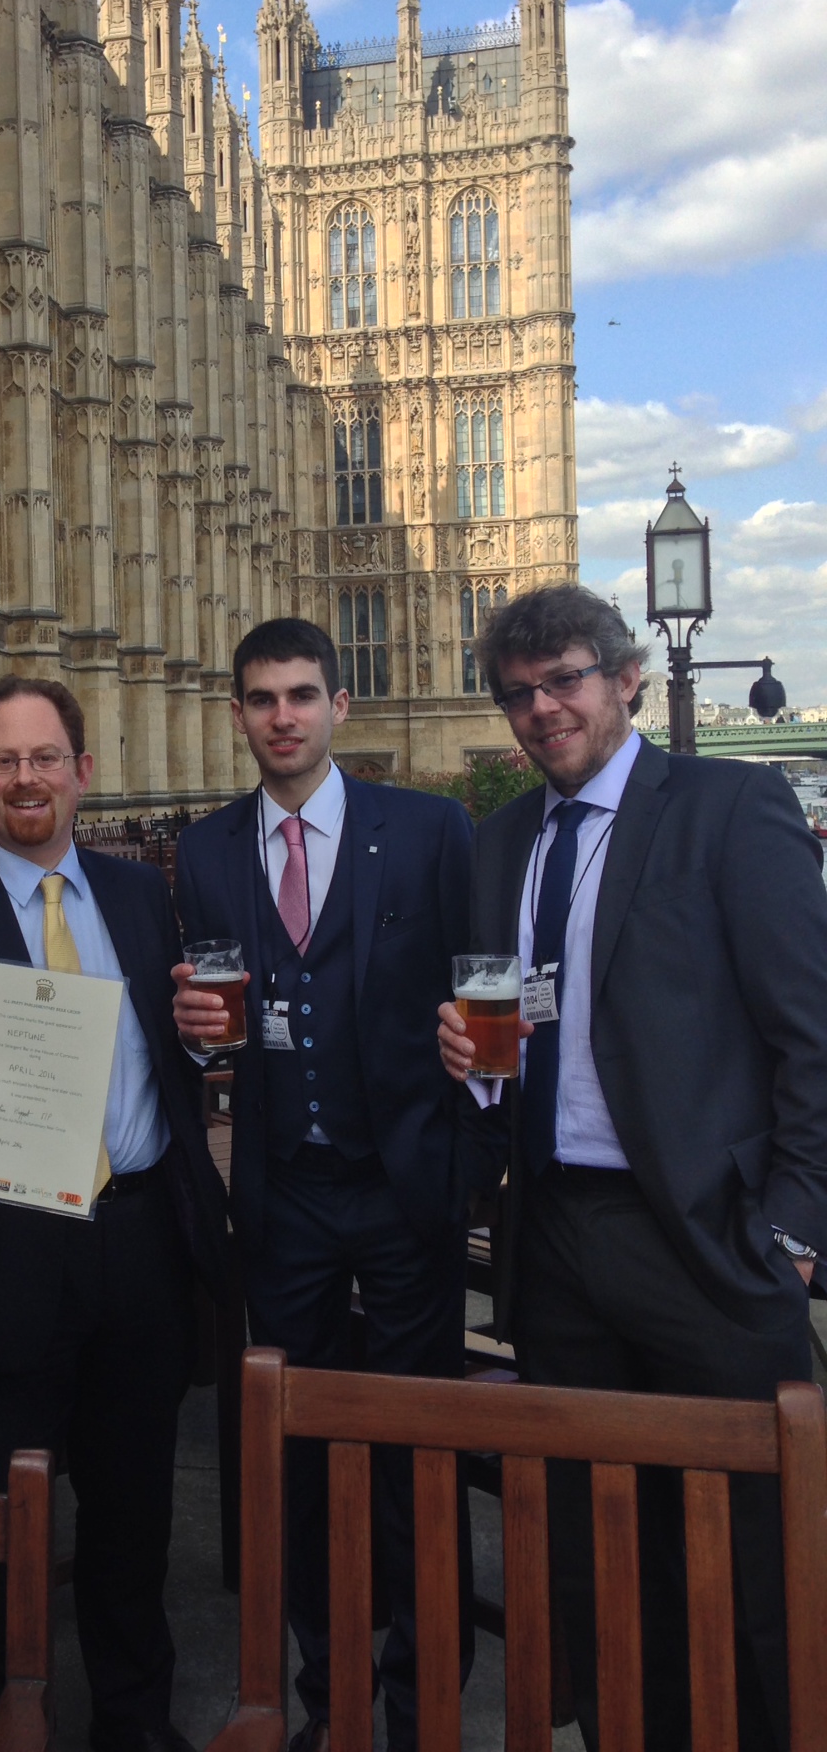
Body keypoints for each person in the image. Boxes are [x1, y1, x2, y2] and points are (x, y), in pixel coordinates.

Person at [437, 582, 827, 1752]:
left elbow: (811, 1036)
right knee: (604, 1538)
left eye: (564, 679)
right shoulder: (502, 839)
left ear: (624, 680)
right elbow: (515, 1028)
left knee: (751, 1542)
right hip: (557, 1231)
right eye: (519, 692)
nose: (542, 709)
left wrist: (795, 1229)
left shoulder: (730, 804)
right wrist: (475, 1062)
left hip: (706, 1235)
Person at [0, 676, 229, 1752]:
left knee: (132, 1518)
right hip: (6, 1248)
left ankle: (135, 1723)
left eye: (46, 757)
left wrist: (211, 1042)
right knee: (3, 1520)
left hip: (137, 1244)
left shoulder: (139, 896)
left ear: (83, 771)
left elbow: (180, 1055)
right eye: (3, 760)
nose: (26, 778)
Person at [171, 616, 486, 1752]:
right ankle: (325, 1697)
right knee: (291, 1452)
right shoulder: (205, 849)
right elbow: (209, 1034)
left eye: (302, 694)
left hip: (406, 1189)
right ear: (242, 713)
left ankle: (422, 1703)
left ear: (339, 705)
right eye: (261, 698)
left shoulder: (432, 829)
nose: (283, 717)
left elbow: (493, 986)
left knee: (415, 1444)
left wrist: (484, 1089)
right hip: (285, 1193)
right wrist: (197, 1029)